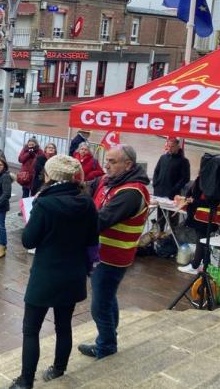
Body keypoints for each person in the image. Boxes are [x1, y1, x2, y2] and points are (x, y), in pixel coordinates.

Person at [9, 155, 99, 389]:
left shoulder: (45, 204)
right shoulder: (87, 202)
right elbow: (92, 239)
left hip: (46, 275)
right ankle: (59, 369)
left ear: (50, 176)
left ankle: (25, 381)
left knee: (31, 329)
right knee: (63, 325)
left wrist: (33, 219)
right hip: (73, 274)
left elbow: (28, 241)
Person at [80, 145, 150, 359]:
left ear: (128, 165)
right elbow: (87, 187)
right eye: (106, 160)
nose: (106, 165)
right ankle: (108, 337)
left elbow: (100, 220)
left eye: (112, 161)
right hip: (101, 253)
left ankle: (106, 347)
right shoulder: (109, 181)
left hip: (113, 258)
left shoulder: (131, 192)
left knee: (99, 306)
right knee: (108, 299)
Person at [177, 173, 220, 274]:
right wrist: (189, 199)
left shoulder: (210, 181)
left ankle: (195, 266)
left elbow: (210, 202)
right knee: (203, 242)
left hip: (205, 218)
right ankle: (205, 265)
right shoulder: (207, 179)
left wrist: (193, 200)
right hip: (203, 217)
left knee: (201, 241)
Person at [153, 137, 190, 232]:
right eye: (168, 146)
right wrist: (155, 183)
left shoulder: (183, 161)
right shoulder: (163, 157)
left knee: (172, 218)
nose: (170, 148)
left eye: (172, 146)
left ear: (178, 146)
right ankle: (159, 236)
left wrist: (174, 189)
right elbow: (156, 171)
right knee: (160, 217)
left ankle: (172, 238)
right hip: (159, 192)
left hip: (173, 195)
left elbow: (185, 178)